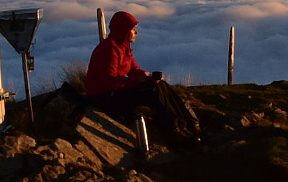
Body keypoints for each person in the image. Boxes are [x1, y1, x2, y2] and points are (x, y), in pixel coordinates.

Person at [84, 11, 202, 143]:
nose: (136, 32)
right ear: (123, 30)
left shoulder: (123, 46)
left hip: (113, 93)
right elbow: (109, 82)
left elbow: (133, 69)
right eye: (133, 29)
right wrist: (137, 81)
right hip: (103, 98)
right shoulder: (110, 49)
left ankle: (191, 122)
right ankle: (173, 130)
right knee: (152, 90)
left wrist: (148, 76)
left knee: (160, 84)